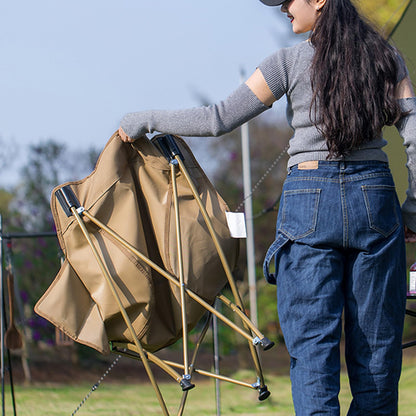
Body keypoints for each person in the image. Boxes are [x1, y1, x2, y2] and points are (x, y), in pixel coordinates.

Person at [118, 0, 416, 414]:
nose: (281, 9)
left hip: (309, 199)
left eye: (287, 1)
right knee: (378, 354)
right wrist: (413, 212)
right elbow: (414, 131)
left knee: (313, 352)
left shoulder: (288, 63)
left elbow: (218, 118)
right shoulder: (386, 56)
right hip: (375, 201)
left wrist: (146, 117)